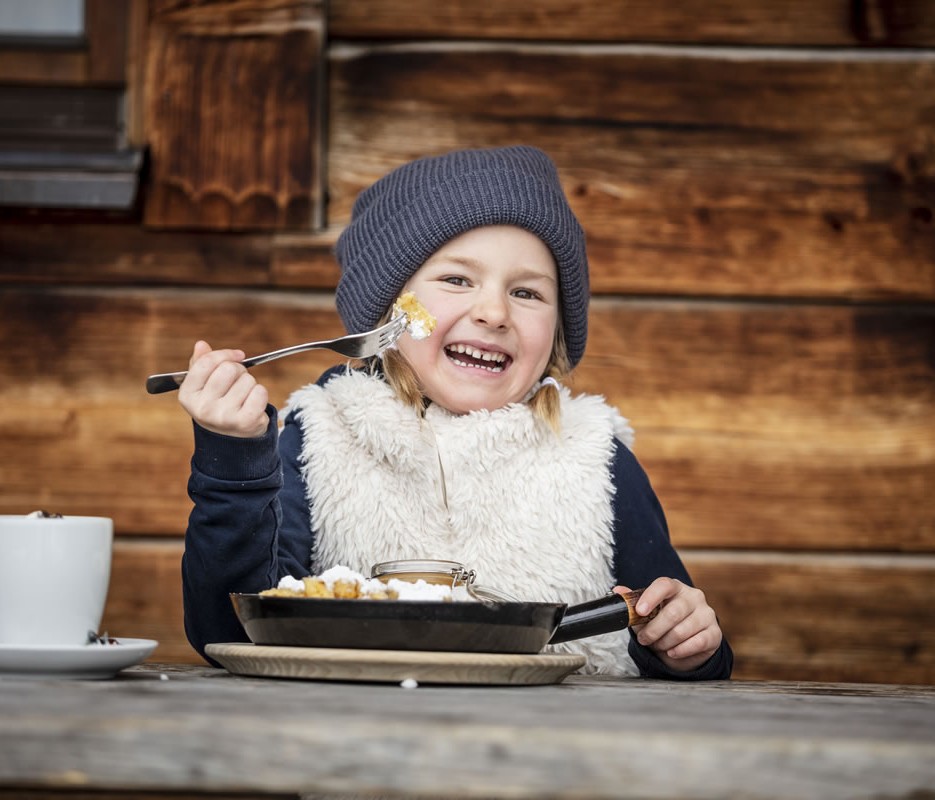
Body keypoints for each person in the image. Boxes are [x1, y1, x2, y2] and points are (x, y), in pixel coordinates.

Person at [179, 145, 733, 680]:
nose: (493, 311)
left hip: (557, 762)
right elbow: (229, 631)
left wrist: (687, 647)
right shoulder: (321, 438)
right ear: (384, 315)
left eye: (528, 293)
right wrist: (232, 460)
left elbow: (667, 623)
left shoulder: (595, 456)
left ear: (557, 330)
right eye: (457, 280)